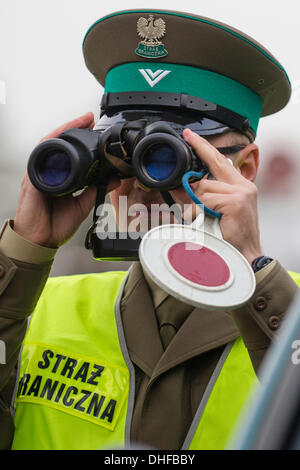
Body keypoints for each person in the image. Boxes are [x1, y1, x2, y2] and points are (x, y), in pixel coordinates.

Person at [0, 9, 299, 450]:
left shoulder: (289, 313)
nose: (140, 183)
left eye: (167, 158)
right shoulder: (36, 310)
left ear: (246, 168)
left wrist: (255, 274)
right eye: (125, 154)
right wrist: (21, 260)